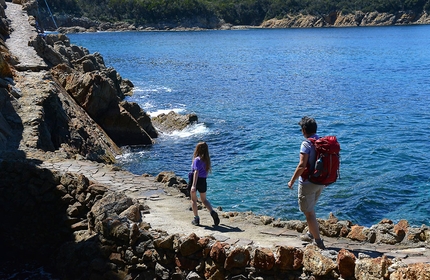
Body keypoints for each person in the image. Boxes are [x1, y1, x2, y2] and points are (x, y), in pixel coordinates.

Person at [287, 116, 326, 250]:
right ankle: (311, 233)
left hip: (308, 182)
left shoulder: (306, 144)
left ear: (304, 129)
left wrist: (292, 180)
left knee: (309, 213)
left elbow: (302, 165)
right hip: (321, 181)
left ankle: (318, 241)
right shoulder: (321, 141)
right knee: (311, 209)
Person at [188, 142, 220, 226]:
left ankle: (196, 219)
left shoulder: (197, 159)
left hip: (195, 180)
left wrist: (193, 185)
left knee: (193, 200)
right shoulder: (207, 160)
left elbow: (196, 172)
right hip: (203, 181)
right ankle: (212, 212)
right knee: (204, 200)